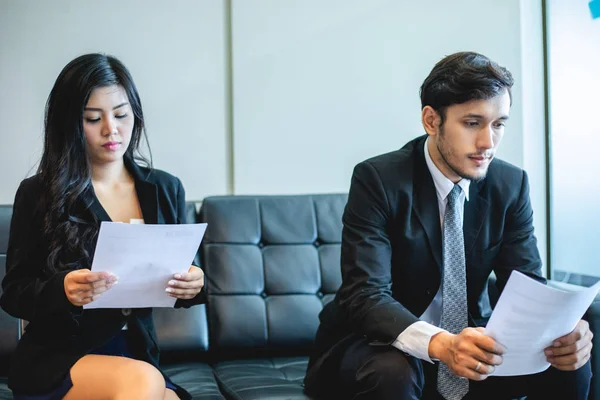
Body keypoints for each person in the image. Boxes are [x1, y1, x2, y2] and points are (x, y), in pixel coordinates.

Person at [304, 52, 593, 400]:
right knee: (392, 371)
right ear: (431, 120)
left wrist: (559, 332)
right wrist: (441, 344)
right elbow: (365, 295)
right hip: (377, 344)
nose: (488, 143)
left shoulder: (510, 184)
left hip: (468, 343)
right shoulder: (378, 180)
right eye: (472, 123)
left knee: (569, 356)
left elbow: (526, 286)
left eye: (499, 124)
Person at [0, 53, 206, 400]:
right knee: (142, 385)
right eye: (93, 118)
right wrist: (62, 290)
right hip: (60, 356)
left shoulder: (165, 188)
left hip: (137, 350)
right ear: (70, 123)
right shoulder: (39, 193)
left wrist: (194, 283)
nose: (112, 129)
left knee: (159, 392)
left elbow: (185, 274)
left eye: (121, 115)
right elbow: (14, 292)